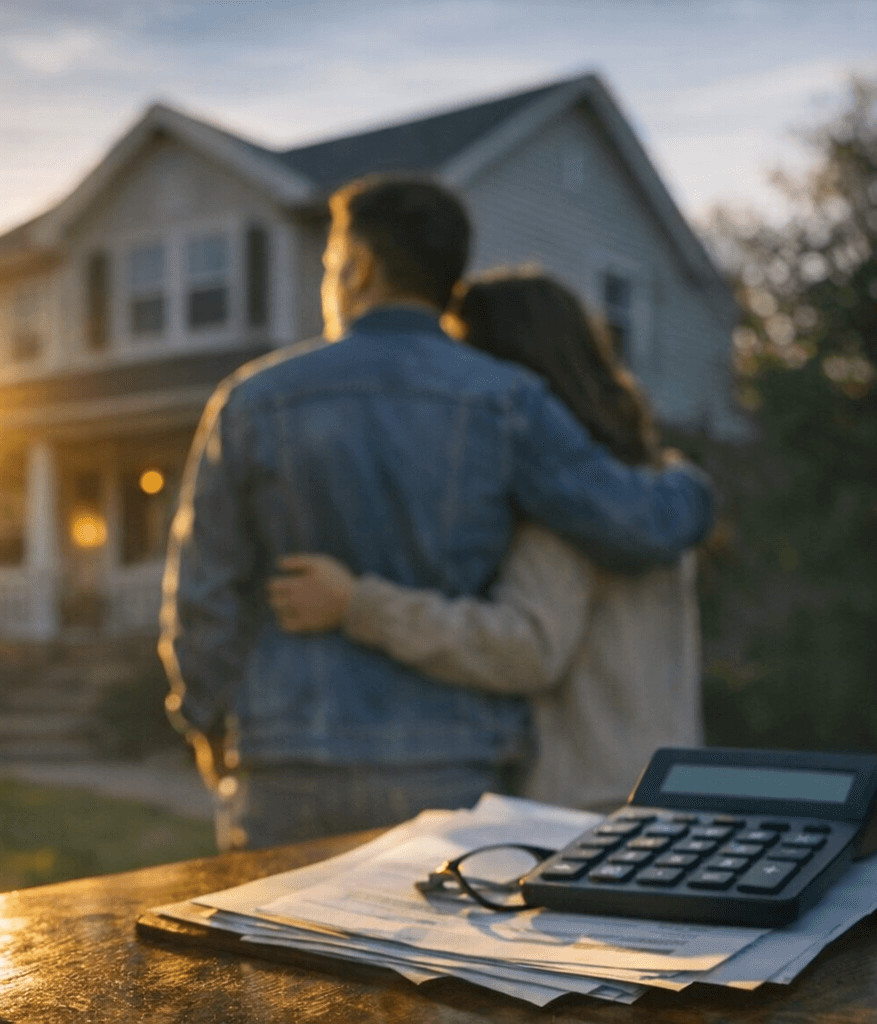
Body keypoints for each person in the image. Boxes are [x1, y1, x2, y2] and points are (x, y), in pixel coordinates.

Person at [160, 174, 715, 850]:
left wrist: (205, 717)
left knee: (272, 926)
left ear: (360, 267)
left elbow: (204, 592)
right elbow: (635, 522)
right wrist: (690, 487)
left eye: (330, 265)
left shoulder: (252, 400)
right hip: (453, 765)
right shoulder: (508, 401)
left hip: (288, 757)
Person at [266, 272, 701, 812]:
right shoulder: (643, 488)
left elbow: (526, 647)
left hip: (586, 806)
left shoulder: (569, 507)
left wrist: (357, 603)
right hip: (657, 785)